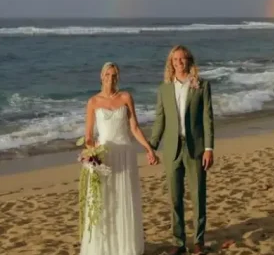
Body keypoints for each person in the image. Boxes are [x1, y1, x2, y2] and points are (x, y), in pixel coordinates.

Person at [80, 62, 158, 255]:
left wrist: (149, 148)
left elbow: (134, 128)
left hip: (125, 153)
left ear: (118, 78)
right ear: (101, 76)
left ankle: (125, 248)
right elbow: (88, 136)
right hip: (104, 156)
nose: (111, 79)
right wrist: (92, 154)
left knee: (124, 199)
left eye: (114, 75)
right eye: (107, 75)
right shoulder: (93, 102)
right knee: (105, 201)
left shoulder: (125, 97)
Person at [149, 45, 215, 255]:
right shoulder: (164, 89)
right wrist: (152, 146)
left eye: (182, 58)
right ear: (171, 63)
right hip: (172, 149)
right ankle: (179, 243)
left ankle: (198, 241)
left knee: (198, 195)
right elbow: (160, 119)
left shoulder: (201, 86)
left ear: (189, 61)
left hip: (195, 147)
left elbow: (207, 118)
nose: (179, 62)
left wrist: (209, 148)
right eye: (175, 59)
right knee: (175, 198)